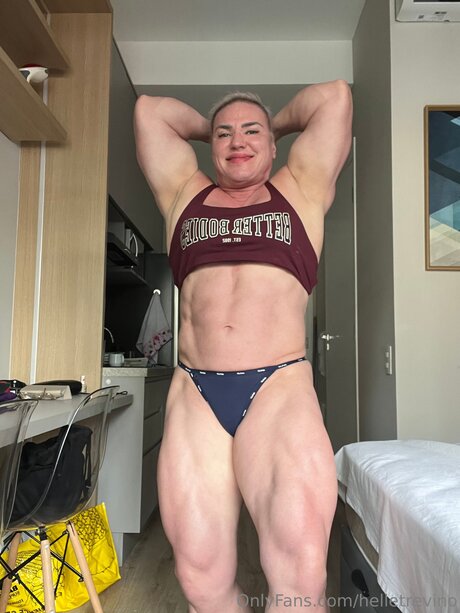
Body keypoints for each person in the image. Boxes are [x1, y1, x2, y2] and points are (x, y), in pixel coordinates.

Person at [134, 80, 352, 613]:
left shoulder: (299, 188)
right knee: (199, 574)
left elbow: (334, 98)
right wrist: (214, 127)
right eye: (224, 133)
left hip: (279, 387)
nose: (238, 141)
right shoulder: (184, 193)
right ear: (210, 145)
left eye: (252, 131)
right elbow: (149, 112)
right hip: (197, 393)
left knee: (301, 570)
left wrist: (268, 123)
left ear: (275, 145)